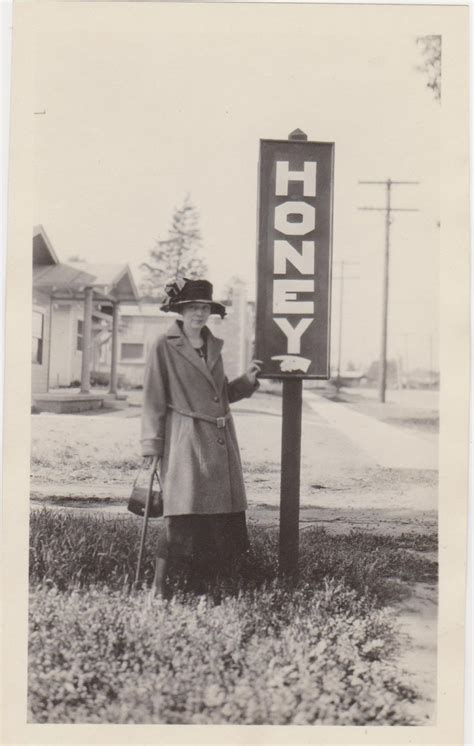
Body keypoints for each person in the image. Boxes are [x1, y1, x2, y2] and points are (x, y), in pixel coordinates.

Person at [141, 278, 262, 598]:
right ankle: (159, 589)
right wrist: (152, 444)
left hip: (221, 440)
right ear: (179, 311)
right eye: (192, 307)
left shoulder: (213, 345)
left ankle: (204, 589)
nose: (199, 314)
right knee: (181, 514)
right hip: (186, 439)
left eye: (204, 307)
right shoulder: (163, 345)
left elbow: (219, 394)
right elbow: (153, 396)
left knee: (216, 520)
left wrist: (247, 382)